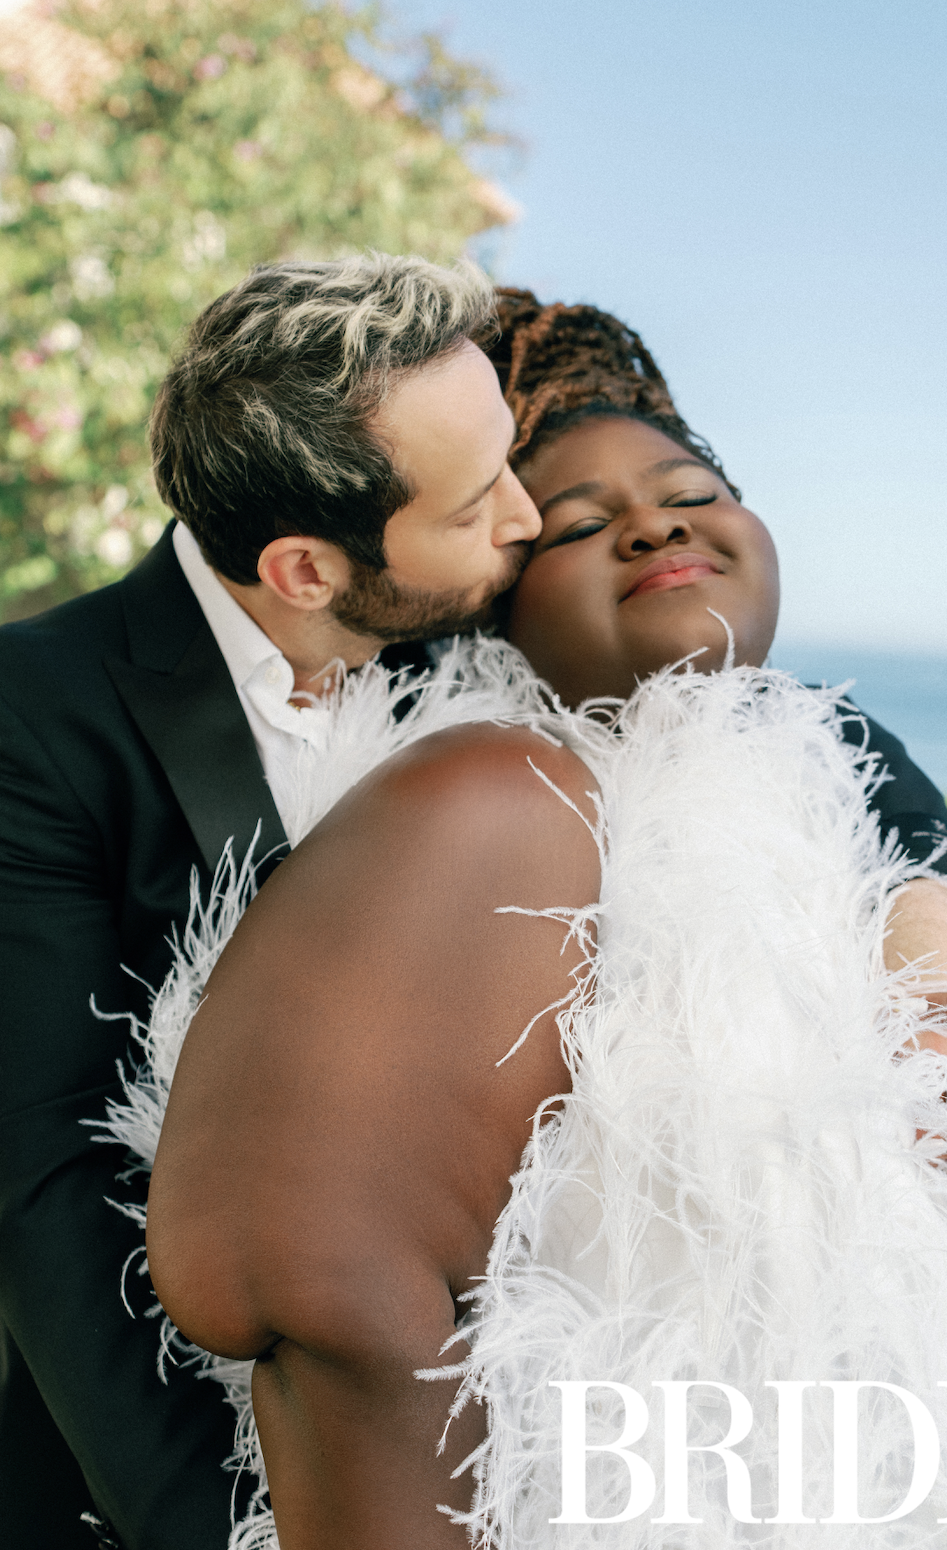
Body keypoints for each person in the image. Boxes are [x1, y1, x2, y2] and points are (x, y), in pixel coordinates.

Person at [129, 297, 947, 1545]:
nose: (654, 521)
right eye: (572, 523)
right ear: (489, 599)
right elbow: (306, 1259)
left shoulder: (840, 766)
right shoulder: (473, 790)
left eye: (692, 486)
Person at [0, 253, 542, 1550]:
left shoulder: (481, 626)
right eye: (476, 505)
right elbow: (44, 1182)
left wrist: (933, 886)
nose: (526, 519)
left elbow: (726, 692)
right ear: (304, 568)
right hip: (163, 1457)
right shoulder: (31, 719)